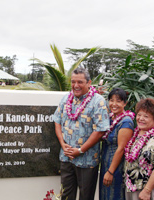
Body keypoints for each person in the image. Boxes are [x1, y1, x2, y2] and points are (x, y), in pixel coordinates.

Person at [53, 67, 110, 200]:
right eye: (73, 82)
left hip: (87, 160)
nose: (76, 85)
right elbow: (57, 121)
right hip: (66, 157)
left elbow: (100, 130)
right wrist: (62, 144)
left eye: (80, 82)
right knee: (66, 195)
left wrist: (80, 150)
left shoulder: (98, 101)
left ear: (89, 83)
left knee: (86, 196)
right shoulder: (66, 98)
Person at [124, 98, 154, 200]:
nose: (141, 118)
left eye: (146, 116)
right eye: (139, 115)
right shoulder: (136, 133)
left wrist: (147, 190)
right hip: (131, 186)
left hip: (148, 190)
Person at [99, 88, 134, 200]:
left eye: (118, 101)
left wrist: (110, 171)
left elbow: (121, 149)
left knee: (114, 195)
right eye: (111, 100)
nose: (114, 104)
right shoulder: (110, 118)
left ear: (125, 103)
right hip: (105, 164)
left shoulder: (126, 122)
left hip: (116, 168)